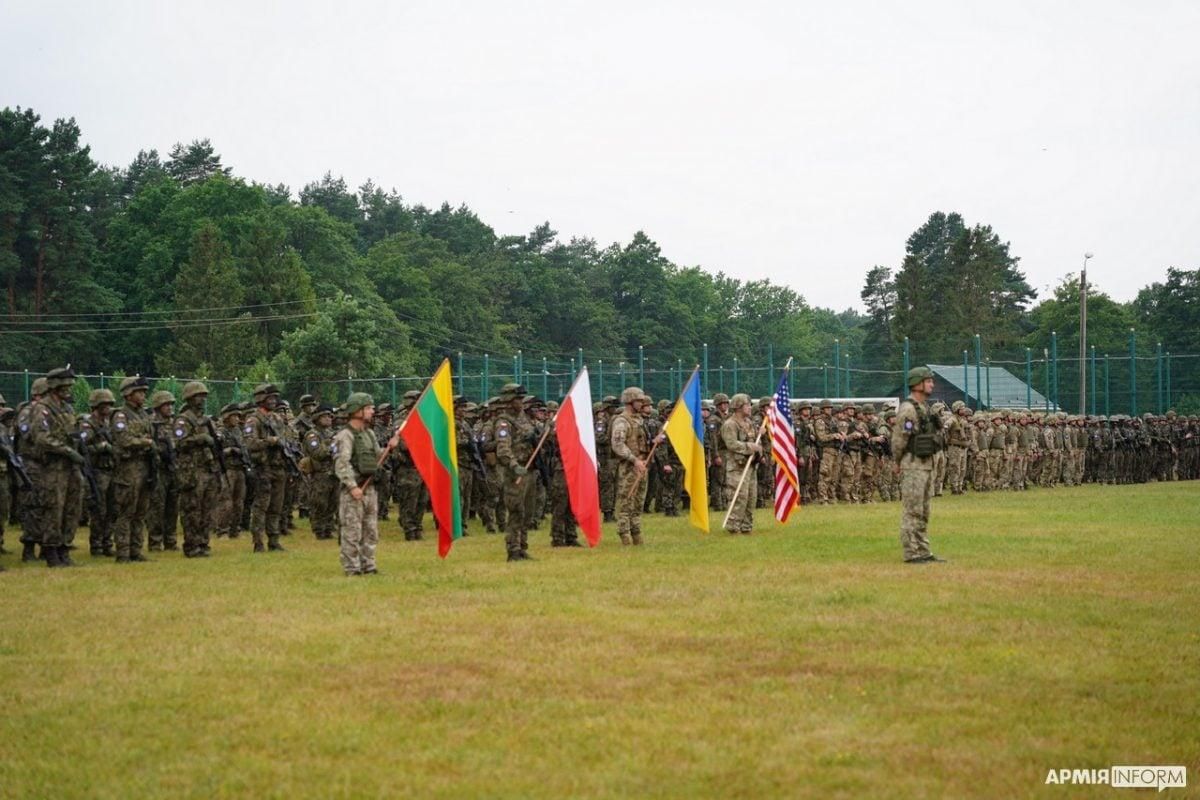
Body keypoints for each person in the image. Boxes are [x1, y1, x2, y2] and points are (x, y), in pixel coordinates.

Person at [333, 392, 396, 576]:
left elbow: (377, 456)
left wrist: (390, 447)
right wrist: (352, 487)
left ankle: (368, 564)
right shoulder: (345, 436)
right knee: (352, 530)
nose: (372, 411)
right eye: (368, 408)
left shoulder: (369, 434)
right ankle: (352, 567)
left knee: (370, 530)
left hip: (370, 489)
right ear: (357, 411)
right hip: (355, 490)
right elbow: (341, 463)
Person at [891, 367, 945, 564]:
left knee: (923, 510)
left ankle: (923, 550)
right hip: (912, 466)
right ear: (917, 384)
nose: (932, 384)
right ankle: (912, 552)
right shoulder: (908, 409)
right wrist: (897, 462)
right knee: (912, 510)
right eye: (928, 381)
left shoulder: (923, 408)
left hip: (926, 464)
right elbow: (899, 439)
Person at [494, 383, 536, 561]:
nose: (521, 402)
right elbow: (503, 449)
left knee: (527, 511)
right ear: (509, 401)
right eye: (517, 399)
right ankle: (513, 548)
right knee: (516, 510)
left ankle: (522, 547)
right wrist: (513, 465)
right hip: (515, 472)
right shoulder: (503, 422)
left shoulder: (524, 418)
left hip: (529, 468)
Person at [610, 386, 651, 546]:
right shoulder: (622, 421)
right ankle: (624, 533)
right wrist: (634, 460)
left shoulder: (639, 420)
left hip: (642, 464)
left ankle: (636, 532)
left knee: (639, 502)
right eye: (639, 401)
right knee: (627, 500)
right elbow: (617, 444)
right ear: (630, 401)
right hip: (630, 467)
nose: (642, 403)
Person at [721, 393, 761, 534]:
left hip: (750, 466)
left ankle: (746, 526)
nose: (750, 407)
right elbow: (731, 444)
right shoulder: (730, 424)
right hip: (737, 467)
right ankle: (733, 525)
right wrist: (749, 447)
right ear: (738, 407)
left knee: (751, 497)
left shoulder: (749, 423)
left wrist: (758, 442)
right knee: (739, 497)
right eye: (747, 405)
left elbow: (756, 440)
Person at [302, 405, 339, 540]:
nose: (329, 419)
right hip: (320, 474)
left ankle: (328, 528)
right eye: (325, 416)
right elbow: (317, 453)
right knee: (320, 503)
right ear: (317, 419)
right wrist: (332, 446)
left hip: (333, 473)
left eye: (330, 416)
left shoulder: (331, 433)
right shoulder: (312, 435)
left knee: (332, 502)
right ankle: (319, 530)